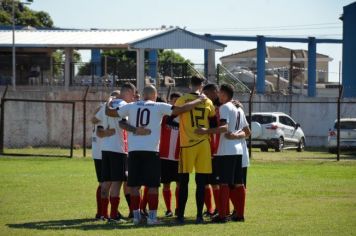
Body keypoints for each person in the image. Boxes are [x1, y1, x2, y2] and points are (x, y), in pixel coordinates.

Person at [106, 85, 206, 225]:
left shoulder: (132, 106)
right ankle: (152, 218)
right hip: (152, 151)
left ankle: (136, 217)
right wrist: (198, 100)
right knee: (153, 185)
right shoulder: (158, 106)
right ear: (155, 95)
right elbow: (180, 109)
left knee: (134, 186)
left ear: (142, 94)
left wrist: (109, 101)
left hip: (134, 151)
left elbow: (111, 113)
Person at [195, 83, 251, 223]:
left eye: (219, 92)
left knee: (224, 183)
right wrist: (237, 136)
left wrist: (205, 131)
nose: (218, 95)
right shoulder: (239, 109)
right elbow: (247, 132)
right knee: (238, 183)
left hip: (226, 151)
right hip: (238, 151)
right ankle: (240, 215)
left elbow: (224, 128)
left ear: (224, 94)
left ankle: (223, 215)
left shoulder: (225, 107)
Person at [174, 76, 216, 224]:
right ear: (202, 85)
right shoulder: (208, 101)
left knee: (183, 181)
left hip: (187, 144)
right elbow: (212, 118)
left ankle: (180, 215)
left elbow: (174, 113)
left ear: (190, 84)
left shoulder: (182, 99)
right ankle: (199, 216)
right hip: (204, 143)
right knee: (202, 181)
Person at [96, 84, 135, 223]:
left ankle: (103, 214)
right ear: (128, 92)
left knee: (106, 183)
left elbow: (96, 121)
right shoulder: (124, 105)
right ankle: (113, 216)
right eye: (133, 94)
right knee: (117, 183)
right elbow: (124, 124)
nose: (133, 97)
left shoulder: (107, 104)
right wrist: (137, 129)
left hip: (105, 148)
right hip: (118, 149)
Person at [159, 92, 182, 217]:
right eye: (174, 101)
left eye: (178, 101)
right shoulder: (164, 117)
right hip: (164, 156)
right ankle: (168, 209)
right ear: (170, 102)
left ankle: (179, 208)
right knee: (166, 184)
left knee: (179, 184)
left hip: (179, 156)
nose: (175, 103)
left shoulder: (184, 117)